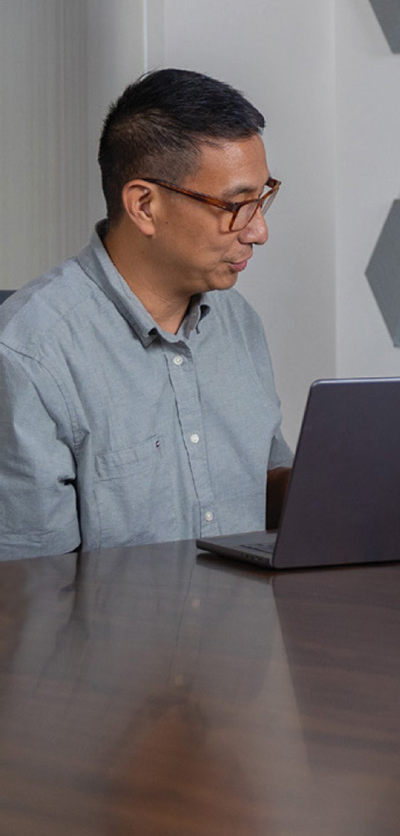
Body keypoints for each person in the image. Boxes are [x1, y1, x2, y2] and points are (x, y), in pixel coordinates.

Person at [0, 68, 292, 560]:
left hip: (249, 627)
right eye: (238, 205)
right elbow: (32, 593)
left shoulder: (238, 321)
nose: (259, 231)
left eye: (262, 199)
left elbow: (264, 484)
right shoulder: (31, 354)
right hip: (115, 638)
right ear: (143, 205)